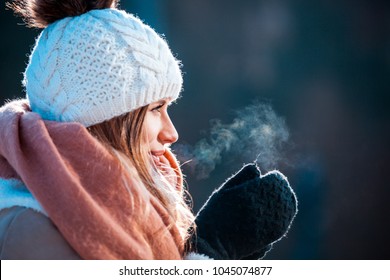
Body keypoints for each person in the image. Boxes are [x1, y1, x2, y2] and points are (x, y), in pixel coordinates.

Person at [0, 0, 298, 260]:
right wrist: (208, 254)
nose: (171, 133)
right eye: (155, 109)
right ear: (105, 119)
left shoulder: (116, 211)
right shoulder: (31, 228)